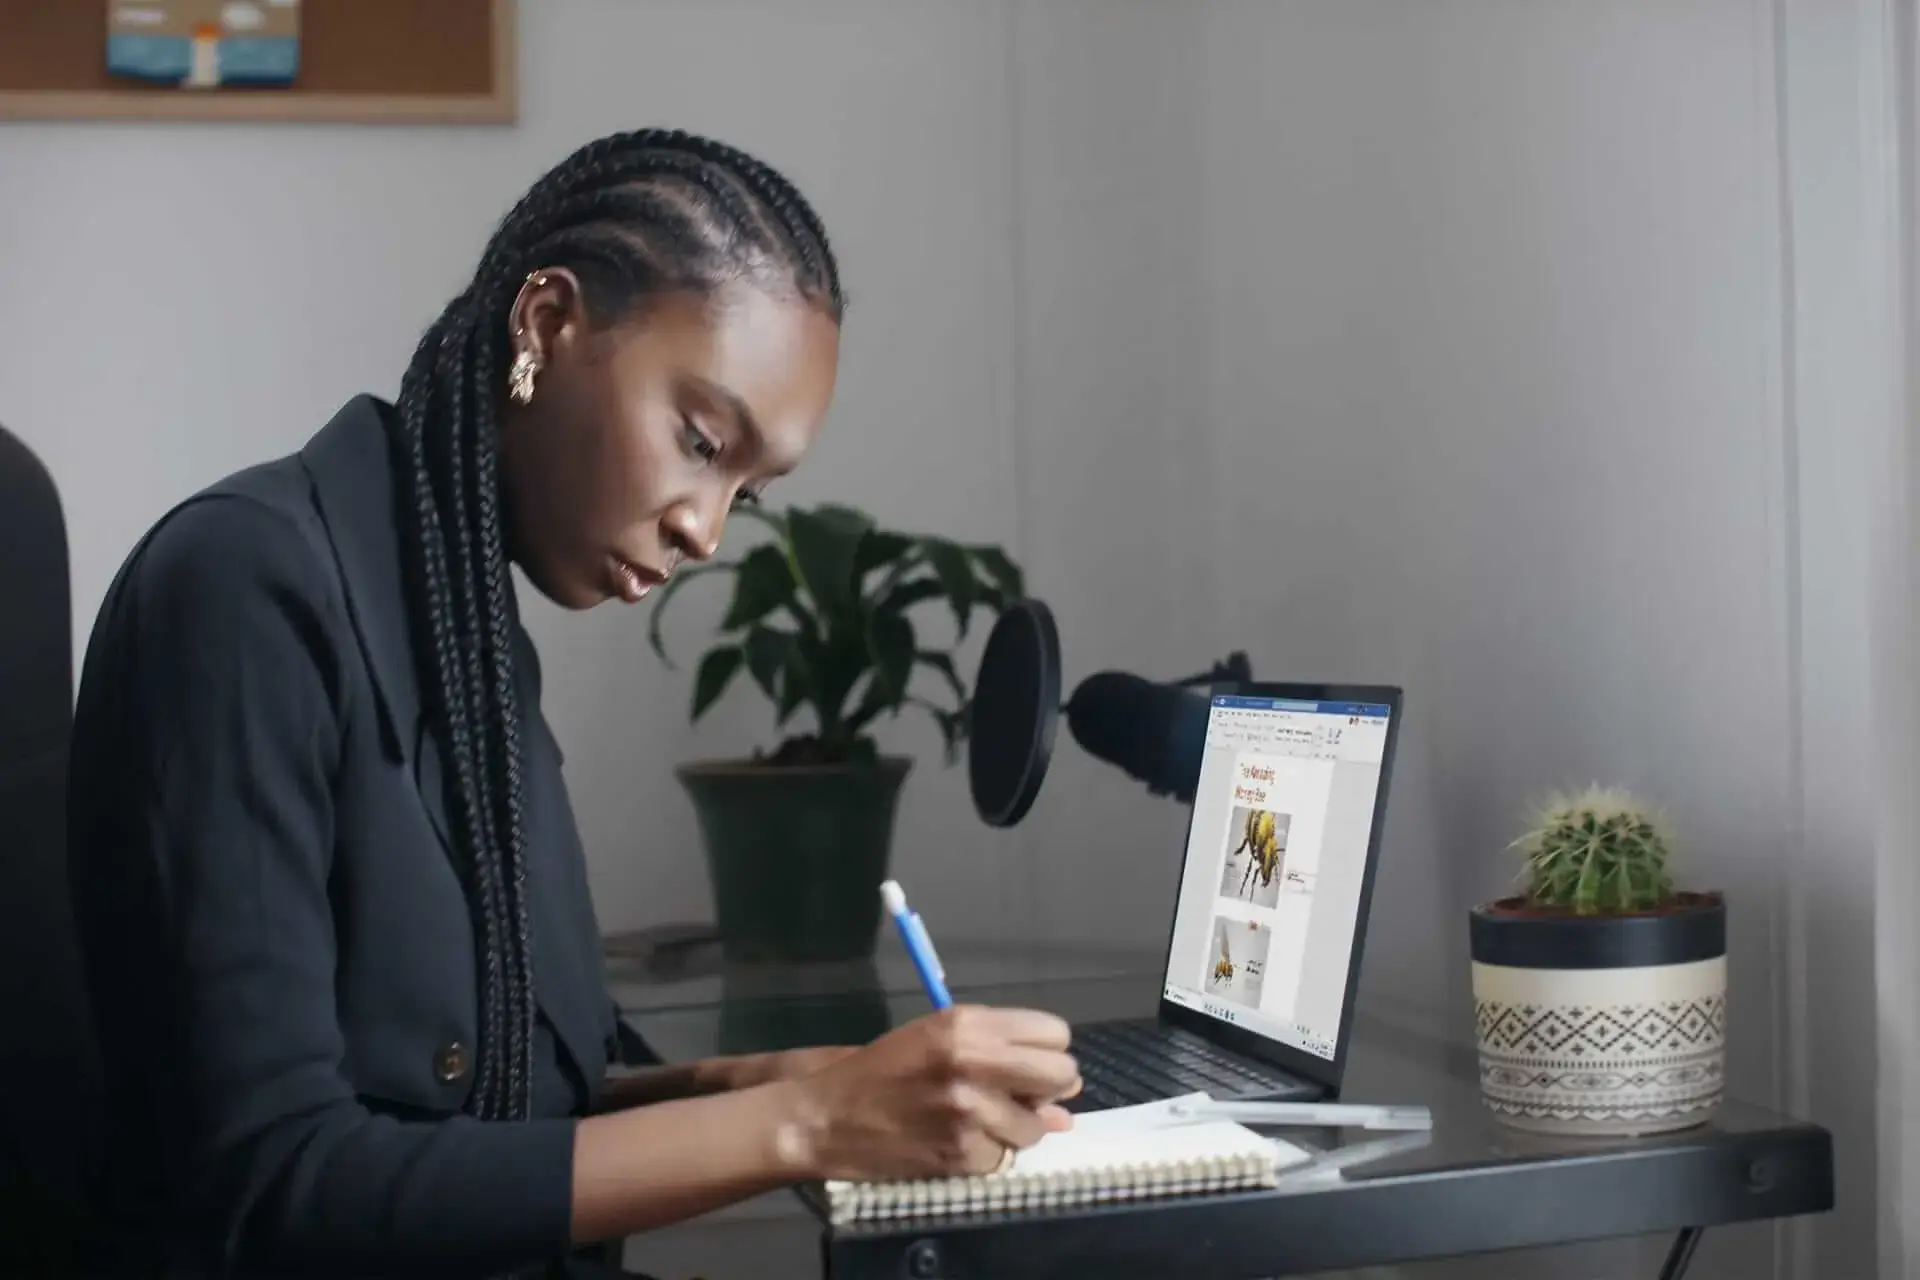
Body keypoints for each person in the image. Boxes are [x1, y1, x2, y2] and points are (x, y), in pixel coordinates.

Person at [65, 128, 1082, 1280]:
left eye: (745, 490)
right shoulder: (246, 589)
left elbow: (512, 1100)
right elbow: (281, 1180)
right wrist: (808, 1125)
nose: (706, 525)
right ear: (546, 324)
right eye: (700, 441)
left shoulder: (470, 629)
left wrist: (775, 1081)